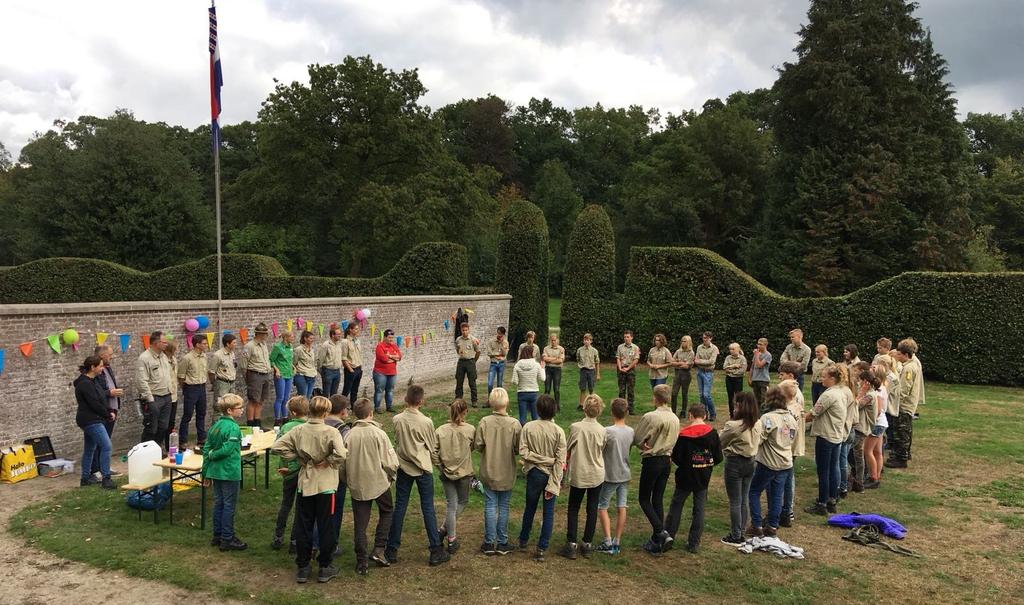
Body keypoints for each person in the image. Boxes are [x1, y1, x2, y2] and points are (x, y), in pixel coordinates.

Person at [272, 395, 348, 584]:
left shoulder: (299, 430)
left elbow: (277, 447)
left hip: (305, 484)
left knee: (304, 526)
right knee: (326, 526)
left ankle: (303, 566)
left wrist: (297, 458)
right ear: (326, 412)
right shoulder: (331, 432)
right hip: (326, 486)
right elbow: (341, 454)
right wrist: (327, 461)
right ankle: (324, 566)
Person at [385, 385, 450, 567]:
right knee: (427, 508)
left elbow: (398, 440)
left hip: (404, 467)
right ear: (421, 401)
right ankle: (435, 550)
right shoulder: (426, 422)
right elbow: (432, 446)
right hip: (422, 468)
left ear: (406, 399)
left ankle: (391, 549)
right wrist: (440, 466)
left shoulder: (397, 419)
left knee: (400, 507)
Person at [345, 398, 398, 576]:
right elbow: (390, 461)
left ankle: (361, 562)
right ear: (371, 414)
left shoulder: (349, 435)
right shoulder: (378, 433)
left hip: (358, 484)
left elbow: (341, 464)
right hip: (378, 483)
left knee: (360, 523)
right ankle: (379, 548)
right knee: (387, 510)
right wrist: (391, 475)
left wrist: (347, 480)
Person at [665, 403, 722, 553]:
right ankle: (694, 542)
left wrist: (686, 464)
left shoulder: (684, 435)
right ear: (705, 416)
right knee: (699, 508)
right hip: (703, 475)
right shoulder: (713, 433)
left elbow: (677, 456)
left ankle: (669, 535)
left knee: (677, 505)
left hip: (685, 475)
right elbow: (718, 456)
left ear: (690, 415)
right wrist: (707, 464)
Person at [518, 394, 566, 562]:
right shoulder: (558, 432)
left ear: (537, 409)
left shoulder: (528, 428)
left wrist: (538, 459)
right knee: (548, 513)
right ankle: (541, 547)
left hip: (534, 473)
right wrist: (554, 481)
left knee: (530, 508)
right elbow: (560, 461)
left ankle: (524, 540)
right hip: (549, 472)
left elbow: (524, 453)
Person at [634, 384, 681, 555]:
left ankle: (661, 532)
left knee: (644, 498)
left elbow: (638, 437)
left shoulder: (651, 416)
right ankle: (656, 540)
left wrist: (643, 444)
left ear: (656, 398)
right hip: (667, 460)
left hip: (652, 460)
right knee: (658, 499)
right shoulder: (675, 418)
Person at [475, 387, 521, 556]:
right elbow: (518, 448)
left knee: (490, 505)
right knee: (503, 506)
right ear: (507, 402)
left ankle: (489, 542)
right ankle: (502, 542)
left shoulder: (484, 422)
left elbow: (478, 445)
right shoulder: (515, 424)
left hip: (489, 469)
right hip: (507, 470)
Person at [559, 394, 606, 560]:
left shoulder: (576, 428)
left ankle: (571, 543)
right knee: (592, 507)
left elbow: (568, 447)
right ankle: (587, 543)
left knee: (574, 507)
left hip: (580, 472)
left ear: (585, 408)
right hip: (596, 472)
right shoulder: (602, 430)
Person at [747, 387, 798, 537]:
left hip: (768, 462)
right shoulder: (791, 418)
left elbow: (759, 439)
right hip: (786, 462)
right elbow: (791, 438)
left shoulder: (767, 418)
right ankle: (772, 526)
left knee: (754, 491)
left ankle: (756, 525)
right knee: (777, 495)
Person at [204, 393, 247, 552]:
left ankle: (217, 535)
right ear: (229, 410)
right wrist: (212, 455)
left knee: (219, 503)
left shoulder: (215, 426)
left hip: (215, 471)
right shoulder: (234, 427)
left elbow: (206, 448)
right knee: (229, 505)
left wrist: (206, 472)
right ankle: (227, 538)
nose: (242, 410)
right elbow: (228, 449)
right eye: (239, 407)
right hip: (229, 471)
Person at [804, 366, 847, 515]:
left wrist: (796, 418)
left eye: (824, 377)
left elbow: (813, 414)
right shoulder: (841, 392)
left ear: (832, 379)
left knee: (823, 471)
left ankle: (822, 503)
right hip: (836, 436)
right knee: (833, 469)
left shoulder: (828, 395)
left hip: (826, 436)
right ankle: (832, 500)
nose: (822, 379)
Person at [436, 399, 475, 555]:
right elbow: (474, 447)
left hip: (446, 473)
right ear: (465, 412)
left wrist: (440, 466)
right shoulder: (471, 430)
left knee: (451, 505)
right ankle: (450, 538)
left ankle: (445, 531)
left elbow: (433, 451)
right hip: (464, 473)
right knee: (462, 502)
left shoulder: (440, 430)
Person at [595, 398, 634, 555]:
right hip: (625, 473)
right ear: (627, 413)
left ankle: (608, 541)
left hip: (610, 474)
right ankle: (617, 541)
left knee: (602, 506)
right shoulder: (631, 431)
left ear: (612, 412)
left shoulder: (607, 431)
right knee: (621, 506)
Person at [719, 392, 758, 544]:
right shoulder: (758, 423)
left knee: (735, 500)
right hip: (751, 462)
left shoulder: (734, 426)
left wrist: (721, 433)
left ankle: (736, 535)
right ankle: (741, 530)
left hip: (735, 463)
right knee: (744, 499)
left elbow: (720, 442)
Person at [272, 396, 309, 553]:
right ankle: (294, 541)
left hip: (287, 470)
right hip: (302, 471)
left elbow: (278, 447)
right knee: (300, 507)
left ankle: (278, 537)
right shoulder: (309, 428)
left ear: (292, 412)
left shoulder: (286, 427)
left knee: (286, 504)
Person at [76, 355, 116, 489]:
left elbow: (102, 398)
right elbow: (94, 403)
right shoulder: (84, 383)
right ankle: (106, 478)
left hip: (93, 418)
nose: (102, 368)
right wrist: (107, 414)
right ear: (92, 367)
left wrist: (109, 410)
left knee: (90, 448)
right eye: (100, 365)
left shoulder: (94, 381)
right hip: (91, 419)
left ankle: (85, 478)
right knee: (106, 446)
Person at [886, 338, 924, 469]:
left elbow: (904, 390)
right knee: (906, 430)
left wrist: (896, 404)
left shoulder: (909, 368)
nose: (897, 356)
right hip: (907, 404)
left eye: (899, 354)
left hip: (904, 405)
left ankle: (901, 459)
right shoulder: (910, 364)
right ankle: (904, 453)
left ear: (906, 354)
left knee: (902, 431)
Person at [90, 345, 124, 479]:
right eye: (110, 354)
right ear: (102, 355)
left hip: (112, 408)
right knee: (100, 441)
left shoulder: (107, 368)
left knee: (106, 441)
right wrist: (110, 392)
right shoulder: (95, 372)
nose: (112, 356)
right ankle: (95, 469)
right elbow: (94, 392)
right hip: (103, 410)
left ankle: (104, 467)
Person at [325, 394, 353, 556]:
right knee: (334, 511)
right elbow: (345, 453)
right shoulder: (343, 429)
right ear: (343, 411)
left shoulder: (319, 423)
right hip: (335, 475)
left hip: (315, 475)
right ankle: (331, 544)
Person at [136, 330, 172, 446]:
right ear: (156, 343)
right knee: (151, 427)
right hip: (154, 398)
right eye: (164, 342)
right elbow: (142, 381)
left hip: (166, 396)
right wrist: (150, 400)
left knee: (164, 426)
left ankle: (156, 450)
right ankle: (145, 452)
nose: (167, 344)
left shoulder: (164, 356)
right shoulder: (144, 358)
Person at [777, 379, 805, 526]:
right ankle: (787, 510)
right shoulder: (798, 405)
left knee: (785, 480)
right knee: (788, 478)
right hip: (793, 446)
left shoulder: (788, 411)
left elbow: (785, 433)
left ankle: (786, 511)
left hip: (787, 448)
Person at [177, 334, 209, 448]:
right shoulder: (187, 358)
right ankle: (183, 440)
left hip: (202, 387)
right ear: (197, 344)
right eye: (204, 343)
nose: (206, 345)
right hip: (191, 388)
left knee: (201, 413)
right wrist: (185, 388)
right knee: (187, 415)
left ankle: (201, 438)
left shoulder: (204, 356)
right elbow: (181, 376)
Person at [240, 322, 272, 428]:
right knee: (253, 400)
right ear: (258, 334)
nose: (265, 336)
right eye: (263, 334)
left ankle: (257, 423)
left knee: (261, 400)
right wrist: (248, 378)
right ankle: (250, 423)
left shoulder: (263, 345)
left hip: (265, 373)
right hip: (255, 374)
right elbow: (244, 364)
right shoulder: (249, 346)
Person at [861, 366, 887, 489]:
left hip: (877, 424)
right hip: (882, 423)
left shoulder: (878, 392)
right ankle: (876, 475)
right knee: (878, 451)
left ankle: (873, 477)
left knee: (868, 451)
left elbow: (879, 410)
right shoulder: (882, 389)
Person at [836, 363, 859, 499]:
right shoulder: (851, 389)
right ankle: (844, 486)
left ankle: (841, 487)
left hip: (845, 430)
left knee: (840, 461)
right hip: (851, 429)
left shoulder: (843, 392)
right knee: (843, 460)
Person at [511, 344, 546, 425]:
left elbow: (514, 381)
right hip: (534, 392)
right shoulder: (536, 365)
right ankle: (535, 434)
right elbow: (543, 378)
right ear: (531, 353)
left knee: (522, 418)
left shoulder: (517, 365)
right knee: (535, 417)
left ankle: (522, 433)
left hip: (522, 392)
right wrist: (543, 368)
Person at [372, 329, 402, 412]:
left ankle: (389, 407)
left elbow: (399, 356)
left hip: (392, 372)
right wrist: (393, 358)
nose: (391, 339)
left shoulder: (394, 345)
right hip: (380, 373)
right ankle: (377, 408)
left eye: (392, 338)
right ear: (384, 337)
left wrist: (389, 356)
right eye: (389, 338)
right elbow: (384, 359)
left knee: (390, 390)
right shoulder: (380, 346)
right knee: (379, 390)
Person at [270, 331, 296, 427]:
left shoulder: (290, 347)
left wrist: (293, 366)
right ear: (285, 338)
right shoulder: (277, 347)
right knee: (280, 398)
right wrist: (276, 370)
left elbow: (288, 360)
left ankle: (285, 418)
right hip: (280, 375)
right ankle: (277, 419)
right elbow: (271, 360)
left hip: (289, 374)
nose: (293, 338)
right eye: (291, 337)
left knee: (286, 398)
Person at [694, 332, 720, 422]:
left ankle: (713, 413)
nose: (704, 339)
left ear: (710, 338)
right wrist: (703, 361)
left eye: (706, 338)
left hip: (708, 373)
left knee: (706, 395)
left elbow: (712, 361)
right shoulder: (699, 347)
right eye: (703, 337)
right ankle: (704, 414)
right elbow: (695, 360)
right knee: (701, 395)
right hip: (699, 372)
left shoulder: (714, 348)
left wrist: (700, 361)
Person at [454, 323, 481, 407]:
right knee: (459, 381)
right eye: (463, 330)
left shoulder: (473, 340)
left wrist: (474, 361)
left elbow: (478, 351)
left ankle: (474, 401)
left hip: (470, 362)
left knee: (472, 382)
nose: (464, 332)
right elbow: (457, 349)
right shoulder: (458, 339)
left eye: (466, 330)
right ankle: (458, 399)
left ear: (468, 330)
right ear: (461, 330)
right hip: (461, 362)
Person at [616, 330, 641, 414]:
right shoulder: (620, 347)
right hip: (621, 369)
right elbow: (618, 358)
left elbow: (636, 359)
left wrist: (628, 368)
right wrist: (620, 368)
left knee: (630, 390)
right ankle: (621, 409)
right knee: (621, 390)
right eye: (625, 337)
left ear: (631, 337)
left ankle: (630, 409)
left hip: (631, 370)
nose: (626, 338)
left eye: (628, 337)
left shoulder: (635, 348)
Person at [208, 333, 237, 401]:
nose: (236, 344)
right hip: (222, 384)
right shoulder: (218, 355)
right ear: (227, 344)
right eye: (234, 343)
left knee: (231, 404)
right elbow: (211, 372)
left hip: (232, 383)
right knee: (220, 405)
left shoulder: (232, 353)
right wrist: (214, 384)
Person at [670, 335, 695, 416]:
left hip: (686, 374)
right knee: (674, 393)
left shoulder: (691, 353)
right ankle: (673, 411)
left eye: (684, 341)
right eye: (682, 341)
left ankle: (683, 411)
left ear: (688, 342)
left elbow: (686, 366)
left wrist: (678, 362)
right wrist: (681, 362)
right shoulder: (678, 351)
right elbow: (672, 362)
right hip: (677, 374)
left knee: (684, 393)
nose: (682, 342)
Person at [317, 326, 345, 397]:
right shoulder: (326, 345)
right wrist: (322, 371)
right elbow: (320, 359)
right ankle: (325, 408)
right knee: (326, 393)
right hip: (328, 371)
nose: (340, 335)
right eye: (338, 334)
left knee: (334, 394)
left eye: (340, 334)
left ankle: (333, 407)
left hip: (337, 371)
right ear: (333, 335)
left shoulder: (339, 344)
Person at [723, 343, 748, 419]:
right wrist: (734, 366)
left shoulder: (742, 359)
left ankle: (739, 414)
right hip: (729, 379)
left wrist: (731, 371)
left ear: (738, 349)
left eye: (733, 349)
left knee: (738, 397)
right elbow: (724, 367)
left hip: (738, 379)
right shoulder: (728, 358)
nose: (731, 351)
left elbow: (742, 371)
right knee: (730, 397)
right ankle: (732, 415)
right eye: (730, 349)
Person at [576, 333, 601, 409]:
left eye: (588, 340)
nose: (586, 341)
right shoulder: (579, 350)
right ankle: (581, 404)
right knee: (582, 388)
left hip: (591, 371)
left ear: (591, 341)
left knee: (591, 388)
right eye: (585, 340)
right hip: (583, 370)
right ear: (583, 341)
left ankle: (591, 404)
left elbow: (597, 363)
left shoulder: (594, 351)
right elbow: (578, 359)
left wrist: (597, 374)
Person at [340, 323, 364, 401]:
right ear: (350, 329)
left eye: (358, 329)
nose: (358, 330)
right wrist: (350, 370)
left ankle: (354, 407)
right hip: (351, 369)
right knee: (346, 390)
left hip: (358, 368)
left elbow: (359, 355)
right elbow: (343, 357)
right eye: (356, 329)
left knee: (355, 390)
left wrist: (360, 368)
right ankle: (341, 408)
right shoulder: (345, 342)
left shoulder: (357, 340)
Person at [163, 340, 180, 450]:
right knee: (164, 422)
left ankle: (170, 447)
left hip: (174, 394)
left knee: (171, 422)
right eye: (175, 349)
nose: (176, 351)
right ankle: (162, 445)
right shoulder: (163, 360)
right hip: (166, 394)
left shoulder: (173, 359)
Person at [542, 334, 566, 411]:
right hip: (548, 369)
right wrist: (555, 358)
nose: (553, 342)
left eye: (554, 340)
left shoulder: (561, 349)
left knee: (556, 389)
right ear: (550, 340)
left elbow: (560, 361)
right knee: (547, 389)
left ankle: (557, 406)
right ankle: (546, 406)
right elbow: (545, 359)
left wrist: (550, 359)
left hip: (557, 370)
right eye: (552, 340)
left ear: (557, 340)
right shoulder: (546, 348)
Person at [485, 326, 510, 397]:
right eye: (498, 333)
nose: (499, 335)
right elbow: (489, 353)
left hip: (501, 364)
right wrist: (497, 354)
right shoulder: (491, 341)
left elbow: (505, 354)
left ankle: (499, 400)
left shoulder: (505, 342)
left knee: (499, 384)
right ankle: (490, 399)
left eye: (501, 334)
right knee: (490, 384)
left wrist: (501, 344)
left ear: (503, 335)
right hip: (493, 364)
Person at [293, 330, 318, 400]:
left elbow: (313, 362)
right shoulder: (298, 349)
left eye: (313, 338)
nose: (312, 340)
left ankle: (306, 410)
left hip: (311, 375)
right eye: (310, 338)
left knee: (308, 396)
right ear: (305, 338)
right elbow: (293, 362)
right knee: (303, 398)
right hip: (301, 375)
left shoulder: (312, 349)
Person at [749, 338, 772, 410]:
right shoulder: (757, 354)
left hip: (763, 380)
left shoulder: (767, 355)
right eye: (758, 344)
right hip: (755, 379)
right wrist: (750, 378)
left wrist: (756, 355)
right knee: (755, 399)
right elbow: (752, 367)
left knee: (763, 399)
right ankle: (756, 414)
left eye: (760, 344)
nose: (758, 346)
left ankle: (763, 414)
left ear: (765, 345)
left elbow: (759, 365)